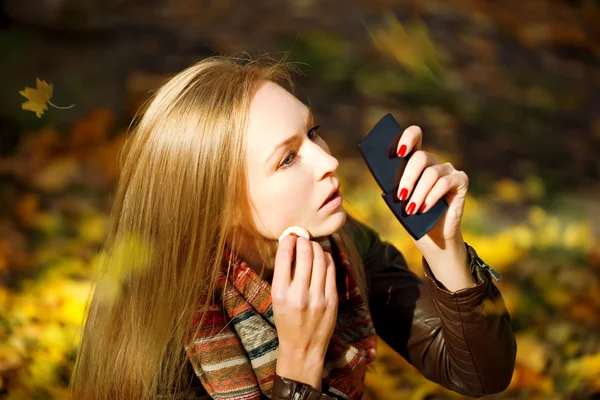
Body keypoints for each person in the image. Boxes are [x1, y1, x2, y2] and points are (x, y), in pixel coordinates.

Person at [70, 55, 517, 400]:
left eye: (314, 132)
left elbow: (480, 375)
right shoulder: (164, 330)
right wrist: (300, 364)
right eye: (287, 158)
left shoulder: (342, 243)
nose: (329, 161)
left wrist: (444, 250)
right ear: (214, 207)